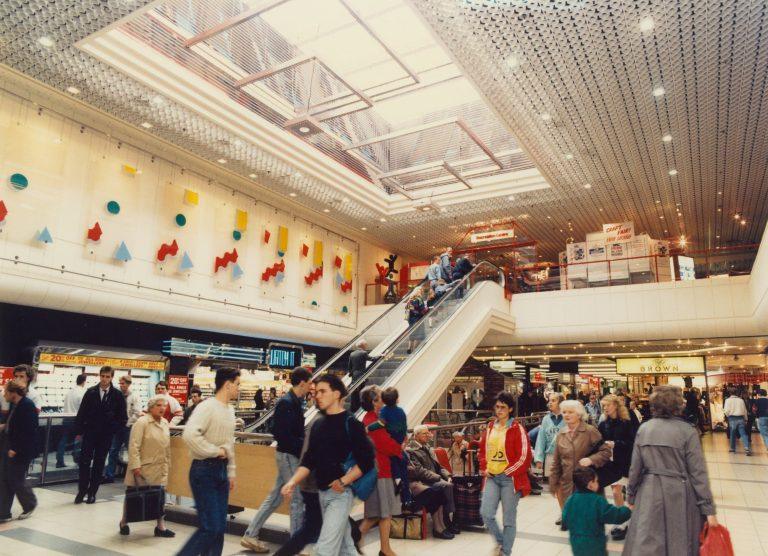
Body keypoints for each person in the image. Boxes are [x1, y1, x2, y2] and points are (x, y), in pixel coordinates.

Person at [281, 373, 375, 556]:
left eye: (323, 391)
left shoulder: (351, 424)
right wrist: (292, 482)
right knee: (346, 548)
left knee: (324, 549)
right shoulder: (318, 425)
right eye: (316, 392)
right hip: (322, 494)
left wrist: (344, 481)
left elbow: (367, 460)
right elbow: (309, 460)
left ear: (337, 394)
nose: (317, 396)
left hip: (340, 495)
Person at [623, 385, 718, 556]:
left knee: (648, 539)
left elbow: (635, 467)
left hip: (649, 492)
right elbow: (698, 473)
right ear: (678, 405)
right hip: (680, 492)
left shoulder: (644, 429)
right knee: (680, 540)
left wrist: (631, 495)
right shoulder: (688, 431)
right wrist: (708, 509)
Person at [242, 367, 312, 553]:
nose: (311, 387)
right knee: (297, 498)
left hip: (287, 454)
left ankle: (251, 534)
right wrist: (302, 446)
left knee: (274, 498)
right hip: (288, 455)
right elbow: (281, 432)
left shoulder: (293, 401)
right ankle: (296, 544)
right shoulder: (287, 402)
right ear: (303, 382)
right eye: (310, 383)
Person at [178, 367, 240, 556]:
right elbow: (189, 435)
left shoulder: (230, 410)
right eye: (237, 384)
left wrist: (230, 472)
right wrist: (214, 451)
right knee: (210, 527)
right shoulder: (207, 407)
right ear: (228, 385)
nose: (239, 388)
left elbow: (229, 444)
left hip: (220, 472)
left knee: (219, 527)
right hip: (203, 471)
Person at [478, 392, 532, 556]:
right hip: (492, 478)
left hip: (511, 479)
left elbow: (525, 456)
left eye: (503, 407)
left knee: (508, 520)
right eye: (497, 406)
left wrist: (508, 471)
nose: (499, 410)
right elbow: (482, 451)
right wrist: (484, 467)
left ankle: (505, 552)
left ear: (510, 409)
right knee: (486, 514)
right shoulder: (490, 427)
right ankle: (502, 543)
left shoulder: (517, 429)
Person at [549, 400, 611, 529]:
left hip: (587, 484)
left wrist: (591, 460)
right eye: (564, 412)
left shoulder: (590, 431)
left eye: (570, 412)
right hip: (568, 485)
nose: (566, 415)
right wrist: (553, 483)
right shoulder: (562, 433)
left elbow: (606, 451)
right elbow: (556, 461)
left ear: (579, 414)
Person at [118, 395, 174, 537]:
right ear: (151, 407)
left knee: (160, 495)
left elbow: (167, 446)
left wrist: (168, 462)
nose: (162, 408)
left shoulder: (165, 423)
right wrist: (136, 466)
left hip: (160, 466)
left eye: (164, 405)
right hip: (144, 467)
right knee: (133, 494)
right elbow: (133, 445)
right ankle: (124, 521)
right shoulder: (142, 422)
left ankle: (160, 526)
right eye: (159, 405)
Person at [358, 385, 402, 556]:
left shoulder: (376, 419)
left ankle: (384, 548)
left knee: (383, 512)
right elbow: (385, 444)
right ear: (373, 402)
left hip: (383, 469)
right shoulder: (370, 421)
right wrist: (399, 446)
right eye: (381, 397)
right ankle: (357, 541)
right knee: (378, 513)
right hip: (379, 471)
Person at [74, 366, 127, 504]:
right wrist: (79, 431)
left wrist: (113, 429)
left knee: (99, 462)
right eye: (102, 376)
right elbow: (82, 413)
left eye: (107, 377)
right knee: (84, 461)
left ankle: (92, 492)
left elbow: (123, 417)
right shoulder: (90, 392)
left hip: (105, 435)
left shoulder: (117, 395)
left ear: (111, 377)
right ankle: (82, 490)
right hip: (90, 432)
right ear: (99, 376)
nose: (104, 379)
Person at [562, 466, 631, 556]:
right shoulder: (597, 500)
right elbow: (614, 515)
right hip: (595, 545)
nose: (598, 483)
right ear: (590, 484)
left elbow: (565, 520)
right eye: (596, 481)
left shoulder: (571, 500)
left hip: (576, 544)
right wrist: (627, 510)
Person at [407, 425, 460, 538]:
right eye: (424, 433)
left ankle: (451, 518)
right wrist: (438, 478)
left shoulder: (428, 447)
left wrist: (447, 475)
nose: (428, 435)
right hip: (424, 481)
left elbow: (439, 466)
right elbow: (420, 471)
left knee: (452, 483)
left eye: (428, 433)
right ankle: (447, 520)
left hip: (433, 478)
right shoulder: (411, 450)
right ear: (416, 436)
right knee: (445, 486)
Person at [598, 394, 637, 541]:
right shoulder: (603, 424)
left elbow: (633, 442)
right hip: (612, 464)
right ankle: (623, 521)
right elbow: (598, 442)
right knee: (616, 492)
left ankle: (628, 519)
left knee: (629, 493)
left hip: (626, 462)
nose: (605, 408)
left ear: (615, 405)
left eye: (608, 405)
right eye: (604, 406)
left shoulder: (627, 422)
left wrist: (616, 444)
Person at [367, 387, 412, 507]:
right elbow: (404, 426)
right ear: (397, 399)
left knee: (395, 467)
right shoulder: (401, 411)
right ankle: (407, 498)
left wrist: (369, 428)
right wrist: (403, 438)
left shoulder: (384, 411)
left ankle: (398, 484)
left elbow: (381, 423)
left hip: (391, 442)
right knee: (404, 470)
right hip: (399, 441)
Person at [0, 379, 38, 522]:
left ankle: (30, 504)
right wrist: (4, 427)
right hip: (8, 445)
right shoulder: (13, 404)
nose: (4, 396)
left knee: (16, 479)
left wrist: (16, 449)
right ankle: (3, 512)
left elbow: (28, 432)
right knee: (4, 479)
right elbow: (14, 424)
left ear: (13, 393)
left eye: (6, 392)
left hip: (19, 449)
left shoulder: (27, 406)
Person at [103, 374, 142, 483]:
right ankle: (109, 475)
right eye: (120, 383)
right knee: (113, 450)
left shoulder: (134, 396)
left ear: (128, 384)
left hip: (129, 427)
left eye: (123, 383)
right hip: (118, 427)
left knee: (131, 452)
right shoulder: (117, 394)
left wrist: (128, 423)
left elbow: (137, 412)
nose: (121, 385)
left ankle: (132, 477)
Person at [56, 373, 86, 468]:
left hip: (66, 419)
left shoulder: (70, 392)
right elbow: (83, 408)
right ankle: (77, 458)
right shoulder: (82, 392)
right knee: (79, 439)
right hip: (76, 420)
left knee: (63, 440)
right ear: (84, 382)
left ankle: (59, 461)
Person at [533, 393, 565, 480]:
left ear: (561, 403)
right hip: (550, 457)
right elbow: (541, 440)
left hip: (565, 458)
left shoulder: (567, 418)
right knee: (552, 486)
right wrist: (539, 459)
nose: (550, 403)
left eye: (553, 401)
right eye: (549, 400)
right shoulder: (546, 419)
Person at [347, 339, 379, 414]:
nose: (366, 346)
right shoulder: (364, 353)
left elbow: (349, 367)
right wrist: (380, 356)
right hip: (361, 375)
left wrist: (352, 374)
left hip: (354, 375)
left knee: (354, 392)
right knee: (361, 391)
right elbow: (372, 359)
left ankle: (353, 408)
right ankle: (360, 407)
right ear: (363, 345)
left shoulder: (352, 354)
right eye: (366, 344)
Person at [724, 388, 751, 455]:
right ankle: (747, 448)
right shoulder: (741, 400)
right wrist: (746, 419)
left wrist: (728, 416)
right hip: (741, 418)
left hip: (732, 418)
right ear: (737, 393)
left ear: (730, 393)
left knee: (732, 433)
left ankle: (732, 448)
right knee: (743, 433)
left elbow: (726, 411)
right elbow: (744, 410)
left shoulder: (727, 400)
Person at [405, 289, 427, 354]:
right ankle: (414, 350)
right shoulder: (419, 299)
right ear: (418, 292)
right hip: (417, 318)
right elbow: (421, 309)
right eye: (420, 291)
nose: (421, 292)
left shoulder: (410, 299)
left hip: (410, 318)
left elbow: (407, 308)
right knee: (418, 334)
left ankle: (409, 348)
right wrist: (426, 309)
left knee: (412, 333)